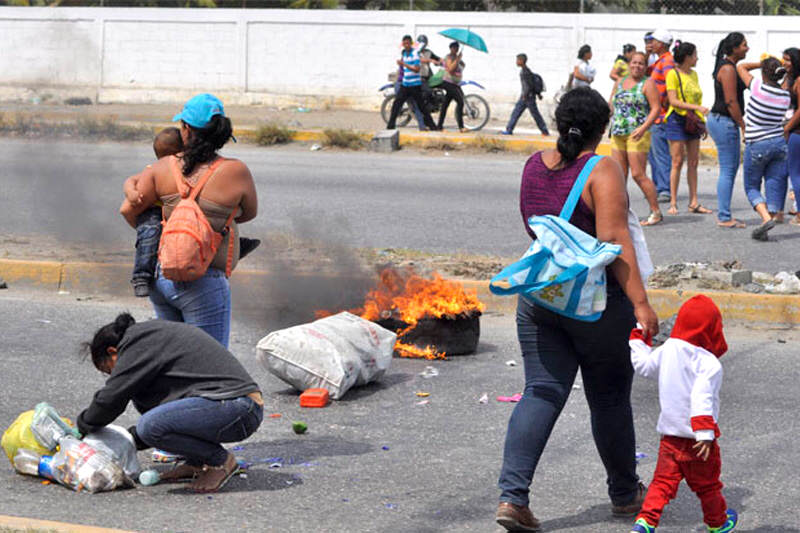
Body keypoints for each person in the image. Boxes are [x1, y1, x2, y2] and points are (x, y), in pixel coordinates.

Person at [495, 87, 659, 532]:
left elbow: (536, 227)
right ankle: (625, 495)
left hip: (540, 299)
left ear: (558, 120)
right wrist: (641, 304)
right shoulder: (601, 170)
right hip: (595, 306)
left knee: (541, 392)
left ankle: (513, 498)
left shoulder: (533, 166)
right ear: (603, 127)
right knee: (608, 398)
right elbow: (615, 243)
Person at [119, 93, 258, 348]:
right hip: (204, 281)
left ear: (185, 130)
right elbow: (249, 213)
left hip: (161, 277)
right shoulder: (236, 171)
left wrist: (162, 237)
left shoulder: (162, 168)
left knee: (175, 358)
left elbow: (129, 209)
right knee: (209, 364)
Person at [77, 313, 263, 493]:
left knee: (150, 426)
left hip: (239, 408)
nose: (113, 376)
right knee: (150, 409)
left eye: (109, 370)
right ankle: (196, 462)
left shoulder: (136, 344)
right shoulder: (146, 338)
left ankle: (221, 461)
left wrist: (83, 427)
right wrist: (129, 438)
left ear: (112, 352)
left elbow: (112, 398)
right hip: (233, 406)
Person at [628, 295, 738, 533]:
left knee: (662, 483)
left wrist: (639, 336)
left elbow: (643, 366)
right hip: (697, 440)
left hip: (669, 437)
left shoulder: (669, 349)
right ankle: (718, 523)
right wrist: (704, 433)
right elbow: (702, 396)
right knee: (708, 486)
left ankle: (645, 521)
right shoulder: (708, 363)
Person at [123, 128, 260, 298]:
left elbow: (126, 210)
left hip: (165, 271)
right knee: (151, 234)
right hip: (157, 217)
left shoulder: (163, 170)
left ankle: (235, 248)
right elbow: (130, 185)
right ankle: (141, 276)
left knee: (152, 236)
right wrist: (131, 193)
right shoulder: (159, 169)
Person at [738, 56, 791, 241]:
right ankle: (773, 214)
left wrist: (760, 63)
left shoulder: (757, 86)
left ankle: (766, 218)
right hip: (778, 142)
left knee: (751, 186)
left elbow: (741, 66)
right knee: (773, 181)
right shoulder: (785, 95)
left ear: (763, 72)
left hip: (757, 143)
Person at [609, 51, 662, 225]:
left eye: (641, 63)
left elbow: (655, 108)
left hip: (637, 134)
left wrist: (643, 128)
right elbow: (611, 105)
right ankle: (619, 212)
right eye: (634, 63)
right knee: (619, 175)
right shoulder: (620, 82)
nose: (636, 66)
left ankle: (655, 211)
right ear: (629, 64)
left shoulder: (648, 84)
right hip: (618, 133)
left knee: (638, 174)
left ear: (645, 67)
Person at [707, 33, 749, 229]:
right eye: (743, 45)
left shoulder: (728, 66)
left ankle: (725, 214)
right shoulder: (728, 69)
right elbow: (731, 101)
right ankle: (724, 216)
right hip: (724, 121)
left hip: (720, 121)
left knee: (729, 168)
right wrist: (742, 125)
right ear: (733, 49)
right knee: (728, 170)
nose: (747, 48)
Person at [664, 41, 710, 216]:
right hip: (677, 119)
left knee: (694, 162)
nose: (697, 58)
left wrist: (701, 121)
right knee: (677, 161)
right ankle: (673, 202)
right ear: (687, 57)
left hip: (693, 121)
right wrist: (697, 109)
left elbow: (697, 99)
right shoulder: (672, 74)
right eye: (695, 54)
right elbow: (673, 100)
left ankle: (694, 201)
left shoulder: (694, 75)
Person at [387, 35, 437, 131]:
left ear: (411, 44)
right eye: (404, 43)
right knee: (396, 104)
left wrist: (404, 64)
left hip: (415, 85)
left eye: (408, 43)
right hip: (405, 85)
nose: (406, 45)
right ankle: (390, 125)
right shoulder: (404, 53)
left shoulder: (415, 54)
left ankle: (432, 126)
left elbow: (416, 69)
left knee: (421, 107)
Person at [648, 29, 675, 202]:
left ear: (662, 44)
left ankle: (665, 188)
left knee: (661, 154)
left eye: (655, 41)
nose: (652, 44)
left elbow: (669, 83)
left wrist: (662, 104)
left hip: (661, 115)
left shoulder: (666, 61)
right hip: (655, 114)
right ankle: (658, 187)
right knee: (653, 154)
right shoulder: (660, 61)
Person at [500, 53, 549, 136]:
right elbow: (531, 84)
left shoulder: (525, 72)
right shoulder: (526, 70)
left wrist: (525, 95)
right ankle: (509, 129)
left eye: (518, 60)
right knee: (517, 113)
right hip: (527, 97)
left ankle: (544, 131)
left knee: (533, 114)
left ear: (522, 61)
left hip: (527, 97)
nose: (516, 62)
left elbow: (528, 85)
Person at [782, 47, 800, 225]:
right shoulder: (790, 79)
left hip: (796, 131)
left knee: (795, 174)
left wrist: (787, 127)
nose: (784, 63)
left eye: (787, 60)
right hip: (794, 130)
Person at [437, 41, 467, 132]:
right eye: (454, 48)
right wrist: (457, 59)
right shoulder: (449, 57)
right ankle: (461, 127)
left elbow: (463, 65)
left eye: (457, 48)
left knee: (445, 105)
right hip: (448, 82)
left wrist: (459, 60)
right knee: (460, 102)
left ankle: (439, 126)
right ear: (450, 48)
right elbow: (450, 69)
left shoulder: (456, 57)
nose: (456, 49)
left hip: (455, 83)